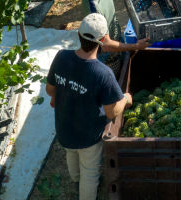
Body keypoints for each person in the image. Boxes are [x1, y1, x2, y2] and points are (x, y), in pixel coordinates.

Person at [47, 12, 133, 200]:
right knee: (90, 172)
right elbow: (112, 111)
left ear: (79, 34)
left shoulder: (61, 57)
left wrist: (64, 94)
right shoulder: (103, 73)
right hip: (88, 136)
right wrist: (125, 99)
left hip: (64, 128)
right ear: (103, 40)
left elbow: (50, 90)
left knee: (71, 152)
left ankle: (75, 179)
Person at [81, 0, 151, 71]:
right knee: (115, 73)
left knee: (124, 61)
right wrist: (136, 46)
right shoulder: (95, 11)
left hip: (115, 35)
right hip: (105, 54)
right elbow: (107, 45)